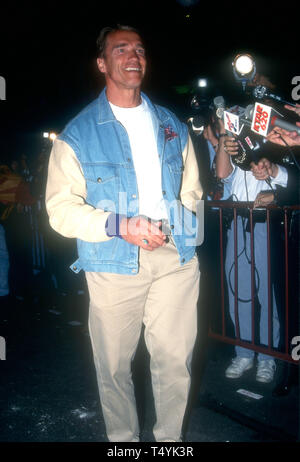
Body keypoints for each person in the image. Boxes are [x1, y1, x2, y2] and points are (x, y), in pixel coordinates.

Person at [45, 25, 202, 442]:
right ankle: (124, 445)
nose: (134, 56)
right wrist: (120, 225)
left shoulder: (171, 124)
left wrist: (182, 230)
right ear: (102, 63)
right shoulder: (77, 134)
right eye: (121, 50)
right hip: (113, 262)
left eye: (140, 50)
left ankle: (170, 444)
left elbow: (192, 190)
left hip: (174, 258)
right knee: (113, 366)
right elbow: (60, 210)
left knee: (174, 362)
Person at [215, 125, 288, 383]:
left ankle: (268, 357)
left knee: (268, 294)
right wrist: (224, 136)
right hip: (237, 223)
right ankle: (244, 352)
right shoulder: (235, 142)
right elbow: (222, 172)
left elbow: (289, 180)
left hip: (266, 226)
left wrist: (274, 185)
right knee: (238, 292)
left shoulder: (277, 141)